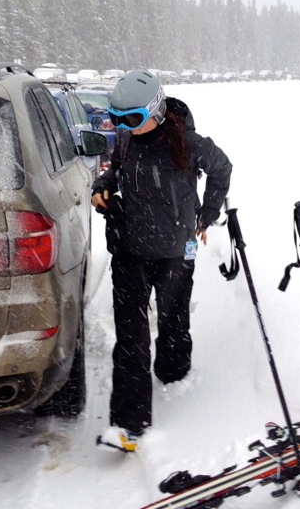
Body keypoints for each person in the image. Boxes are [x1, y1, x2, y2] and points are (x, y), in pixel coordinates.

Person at [91, 70, 232, 453]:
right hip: (131, 250)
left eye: (132, 119)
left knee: (172, 320)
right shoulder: (124, 141)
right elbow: (116, 172)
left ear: (155, 110)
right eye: (115, 119)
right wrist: (103, 187)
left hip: (175, 251)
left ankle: (174, 374)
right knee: (131, 338)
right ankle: (128, 425)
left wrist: (206, 215)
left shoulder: (187, 143)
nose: (123, 127)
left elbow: (223, 170)